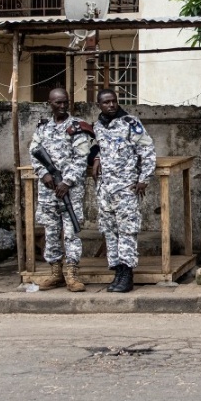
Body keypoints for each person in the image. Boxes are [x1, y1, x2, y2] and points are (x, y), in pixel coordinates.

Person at [91, 88, 156, 292]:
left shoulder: (131, 123)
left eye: (113, 101)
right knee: (110, 232)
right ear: (99, 105)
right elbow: (96, 147)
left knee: (127, 231)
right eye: (106, 102)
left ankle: (127, 275)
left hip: (126, 187)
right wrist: (97, 157)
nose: (111, 105)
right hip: (105, 189)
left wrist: (144, 178)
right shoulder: (98, 126)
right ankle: (117, 272)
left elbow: (147, 150)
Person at [30, 87, 94, 292]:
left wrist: (67, 181)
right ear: (50, 103)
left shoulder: (77, 127)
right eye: (58, 102)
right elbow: (34, 153)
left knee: (72, 231)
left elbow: (82, 158)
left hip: (70, 191)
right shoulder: (43, 128)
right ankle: (55, 272)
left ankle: (72, 273)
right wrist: (44, 174)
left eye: (65, 102)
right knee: (50, 230)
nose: (63, 105)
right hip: (48, 189)